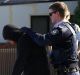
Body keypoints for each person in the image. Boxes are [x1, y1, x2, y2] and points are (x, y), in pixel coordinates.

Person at [21, 2, 80, 75]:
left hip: (67, 72)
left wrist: (27, 30)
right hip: (71, 71)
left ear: (57, 13)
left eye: (50, 14)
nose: (50, 16)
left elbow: (42, 40)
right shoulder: (74, 27)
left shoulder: (62, 29)